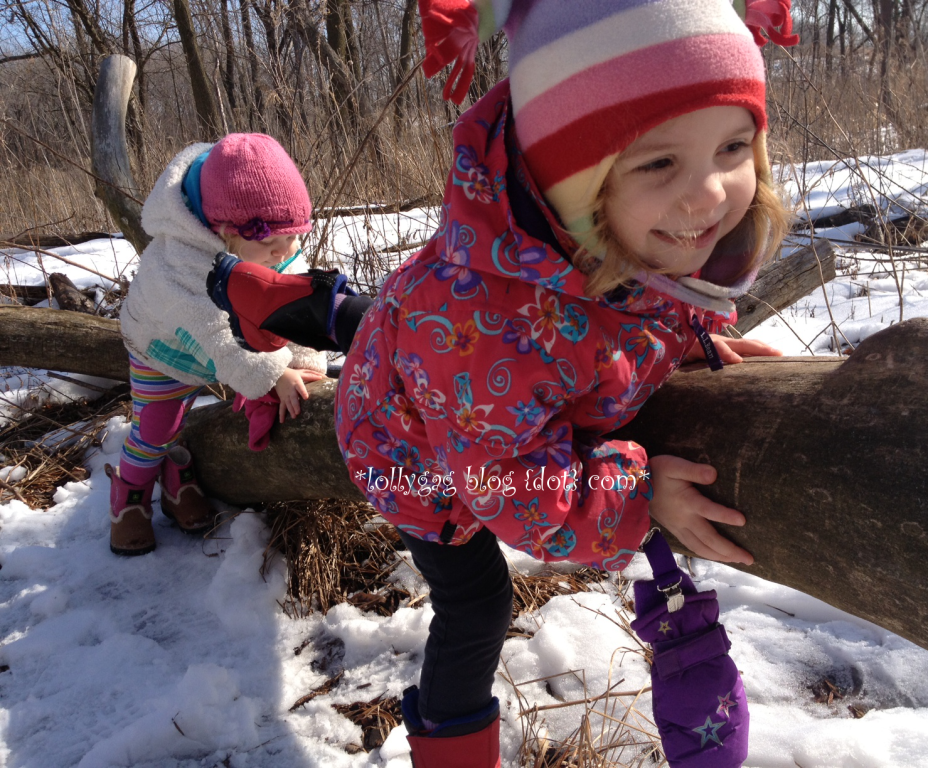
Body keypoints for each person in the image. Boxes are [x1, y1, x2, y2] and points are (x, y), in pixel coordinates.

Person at [208, 1, 797, 765]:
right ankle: (453, 753)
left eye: (733, 147)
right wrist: (635, 496)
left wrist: (696, 340)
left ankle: (268, 294)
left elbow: (627, 309)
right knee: (476, 603)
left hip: (438, 346)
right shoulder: (499, 325)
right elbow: (506, 484)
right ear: (569, 182)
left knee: (376, 321)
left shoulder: (616, 236)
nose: (711, 192)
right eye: (658, 161)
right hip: (418, 454)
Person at [110, 133, 364, 557]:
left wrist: (306, 360)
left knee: (201, 415)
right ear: (226, 233)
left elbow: (292, 295)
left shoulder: (267, 244)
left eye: (294, 239)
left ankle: (178, 479)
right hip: (164, 348)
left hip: (221, 339)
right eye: (272, 246)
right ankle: (130, 495)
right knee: (156, 429)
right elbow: (216, 339)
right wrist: (274, 373)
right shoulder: (182, 267)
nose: (286, 252)